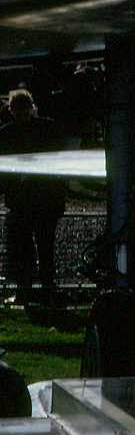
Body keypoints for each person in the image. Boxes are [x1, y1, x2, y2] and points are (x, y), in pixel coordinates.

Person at [0, 89, 68, 305]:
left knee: (24, 250)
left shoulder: (7, 134)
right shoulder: (48, 129)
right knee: (44, 248)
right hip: (44, 199)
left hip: (24, 201)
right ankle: (46, 289)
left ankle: (25, 291)